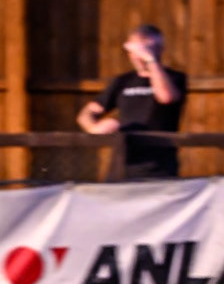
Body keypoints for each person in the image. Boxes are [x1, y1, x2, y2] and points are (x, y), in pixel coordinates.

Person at [76, 24, 187, 180]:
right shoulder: (122, 81)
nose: (139, 56)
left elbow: (166, 97)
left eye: (148, 48)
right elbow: (86, 113)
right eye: (136, 51)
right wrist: (94, 128)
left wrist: (150, 60)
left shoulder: (174, 78)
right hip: (123, 167)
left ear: (160, 49)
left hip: (160, 169)